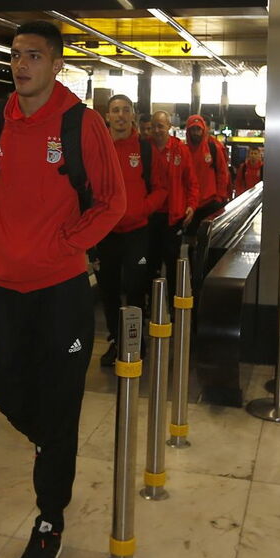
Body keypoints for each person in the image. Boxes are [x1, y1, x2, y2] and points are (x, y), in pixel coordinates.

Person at [0, 20, 125, 558]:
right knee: (2, 385)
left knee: (60, 401)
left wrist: (64, 245)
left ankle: (49, 520)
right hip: (3, 289)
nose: (21, 64)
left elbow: (111, 202)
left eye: (34, 55)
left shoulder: (82, 124)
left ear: (56, 64)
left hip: (61, 295)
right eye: (15, 55)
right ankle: (53, 446)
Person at [98, 94, 168, 367]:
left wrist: (141, 209)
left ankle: (135, 342)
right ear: (107, 116)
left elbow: (161, 188)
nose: (120, 115)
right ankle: (117, 340)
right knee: (109, 289)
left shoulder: (145, 149)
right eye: (115, 110)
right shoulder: (99, 149)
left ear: (133, 115)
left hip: (137, 231)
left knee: (135, 287)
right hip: (106, 233)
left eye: (125, 110)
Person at [148, 110, 198, 296]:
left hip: (173, 216)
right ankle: (151, 302)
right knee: (150, 262)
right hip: (150, 216)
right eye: (154, 126)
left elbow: (192, 182)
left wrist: (191, 206)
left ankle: (171, 304)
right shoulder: (146, 149)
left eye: (160, 126)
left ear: (169, 127)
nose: (157, 130)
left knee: (171, 261)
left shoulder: (180, 150)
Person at [185, 114, 230, 224]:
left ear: (203, 129)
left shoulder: (213, 147)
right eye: (193, 129)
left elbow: (222, 172)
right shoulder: (183, 150)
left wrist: (219, 197)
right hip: (191, 204)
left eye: (198, 129)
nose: (196, 132)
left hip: (210, 203)